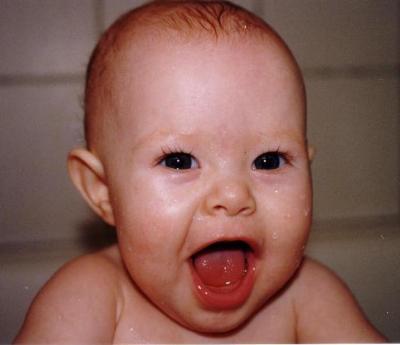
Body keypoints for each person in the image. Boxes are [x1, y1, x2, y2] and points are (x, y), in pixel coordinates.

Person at [14, 1, 385, 343]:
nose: (233, 195)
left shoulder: (309, 296)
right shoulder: (87, 300)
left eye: (269, 161)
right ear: (103, 190)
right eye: (179, 161)